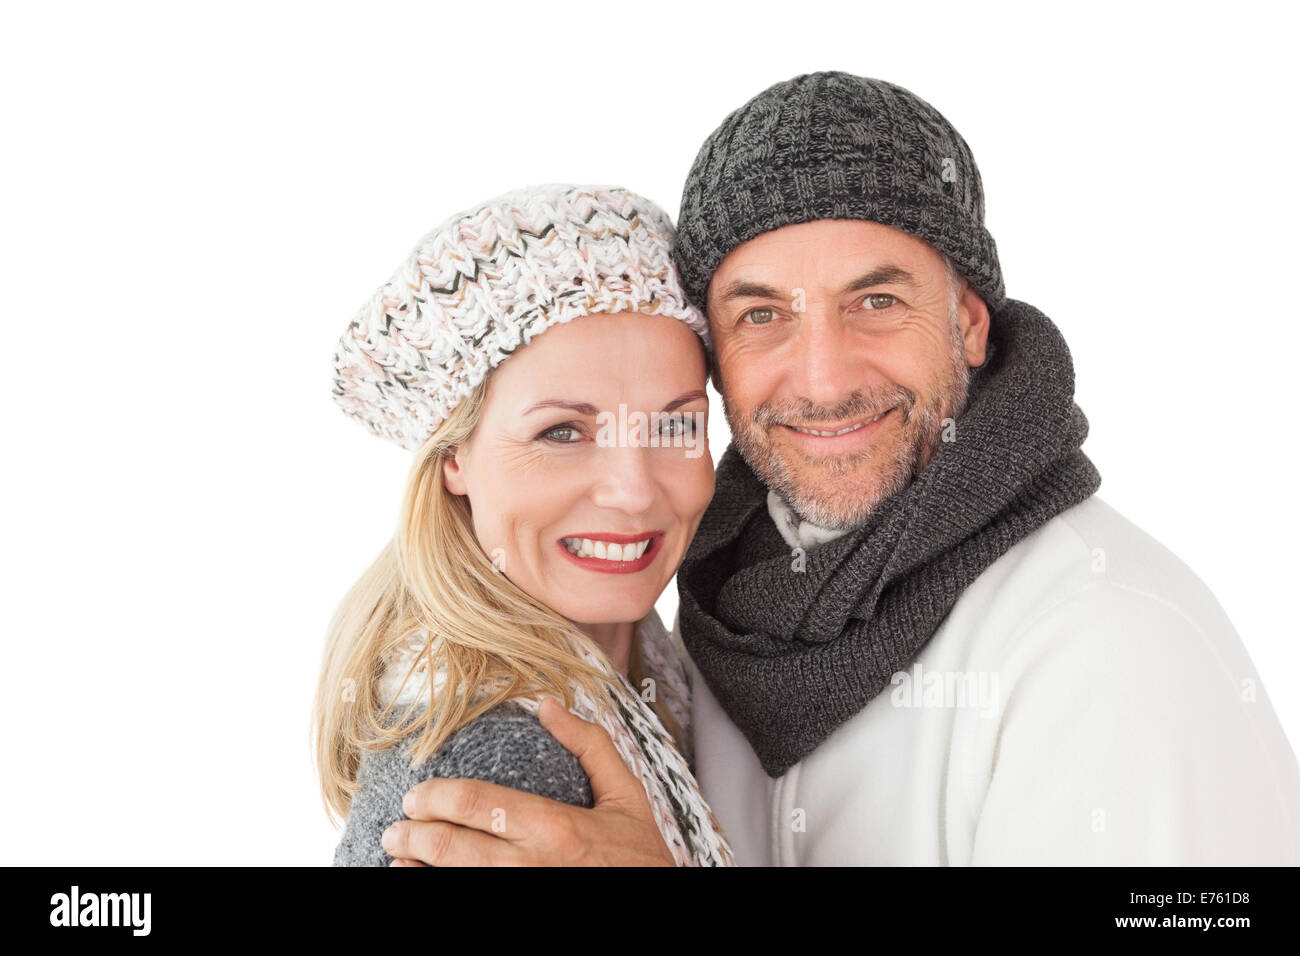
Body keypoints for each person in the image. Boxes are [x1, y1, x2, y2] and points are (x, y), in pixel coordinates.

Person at [380, 72, 1300, 866]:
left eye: (876, 299)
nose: (822, 378)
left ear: (970, 323)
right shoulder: (707, 618)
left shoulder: (1110, 643)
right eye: (762, 314)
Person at [314, 183, 734, 866]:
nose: (632, 491)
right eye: (563, 431)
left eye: (675, 425)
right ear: (454, 457)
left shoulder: (647, 661)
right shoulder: (503, 764)